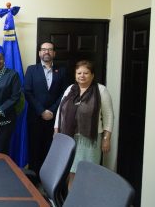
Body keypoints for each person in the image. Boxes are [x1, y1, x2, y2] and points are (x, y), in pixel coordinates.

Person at [54, 60, 114, 188]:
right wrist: (56, 131)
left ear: (92, 75)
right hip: (69, 138)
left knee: (87, 173)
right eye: (79, 73)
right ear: (75, 75)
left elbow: (109, 116)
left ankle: (85, 198)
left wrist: (106, 138)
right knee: (71, 172)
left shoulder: (101, 91)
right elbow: (60, 111)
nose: (82, 75)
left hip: (90, 141)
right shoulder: (70, 89)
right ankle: (71, 199)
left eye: (86, 73)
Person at [25, 40, 67, 174]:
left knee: (52, 150)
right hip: (35, 117)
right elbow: (27, 92)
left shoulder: (62, 71)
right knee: (35, 149)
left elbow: (65, 93)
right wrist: (41, 111)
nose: (46, 52)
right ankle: (34, 181)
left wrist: (52, 110)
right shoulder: (32, 69)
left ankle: (49, 181)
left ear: (54, 53)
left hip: (54, 119)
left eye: (49, 49)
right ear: (39, 53)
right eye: (44, 49)